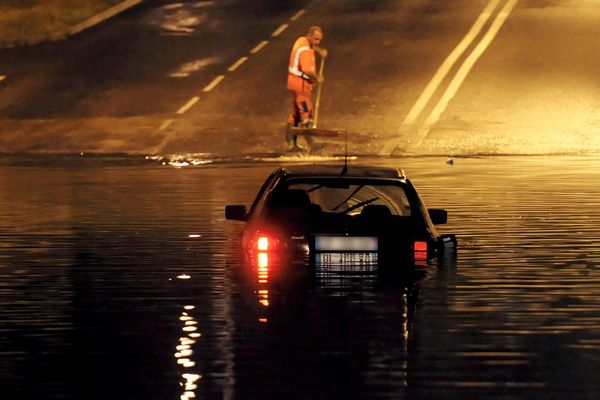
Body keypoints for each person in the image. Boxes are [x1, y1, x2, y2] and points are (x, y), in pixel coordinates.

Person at [285, 26, 328, 151]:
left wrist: (319, 50)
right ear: (309, 36)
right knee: (306, 111)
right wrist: (317, 77)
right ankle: (311, 142)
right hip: (301, 85)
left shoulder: (301, 40)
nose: (317, 42)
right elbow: (307, 70)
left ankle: (291, 144)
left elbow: (311, 46)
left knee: (295, 114)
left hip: (293, 82)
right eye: (316, 39)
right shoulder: (306, 51)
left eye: (319, 40)